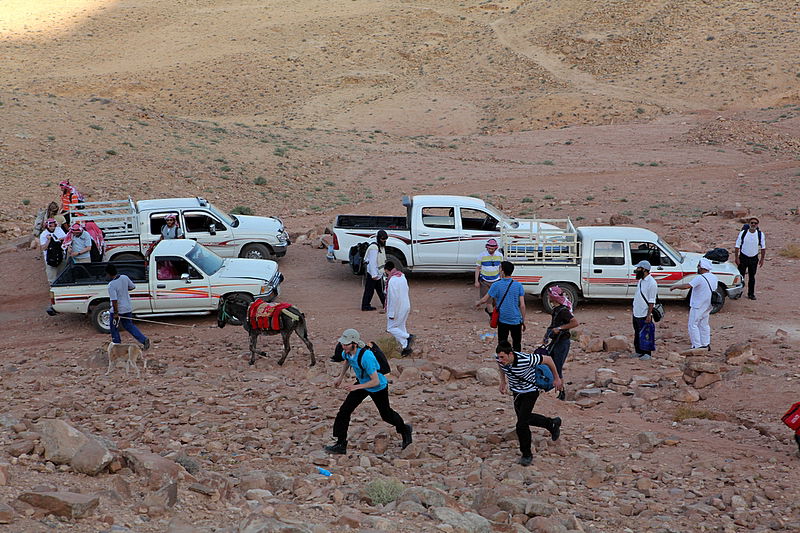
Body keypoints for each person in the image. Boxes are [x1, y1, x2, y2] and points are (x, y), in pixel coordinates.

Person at [325, 329, 412, 455]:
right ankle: (341, 443)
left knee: (386, 415)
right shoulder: (347, 352)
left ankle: (405, 430)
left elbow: (375, 381)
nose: (343, 346)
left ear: (354, 343)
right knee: (344, 411)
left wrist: (356, 387)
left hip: (378, 387)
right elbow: (347, 361)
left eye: (346, 344)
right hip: (362, 384)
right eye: (343, 344)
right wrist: (340, 377)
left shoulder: (367, 357)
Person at [494, 340, 563, 466]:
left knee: (521, 424)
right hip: (517, 392)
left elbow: (548, 359)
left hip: (530, 391)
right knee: (525, 419)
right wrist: (502, 381)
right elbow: (501, 366)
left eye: (503, 357)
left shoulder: (526, 359)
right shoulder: (500, 359)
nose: (500, 360)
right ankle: (552, 424)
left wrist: (557, 378)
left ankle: (526, 454)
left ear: (511, 354)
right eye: (498, 357)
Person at [476, 261, 526, 351]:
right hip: (516, 319)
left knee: (502, 343)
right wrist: (523, 320)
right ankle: (516, 361)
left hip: (503, 319)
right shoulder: (518, 285)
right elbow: (522, 305)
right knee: (517, 343)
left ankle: (503, 361)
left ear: (502, 271)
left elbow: (485, 299)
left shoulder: (496, 285)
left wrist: (478, 303)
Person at [670, 258, 717, 350]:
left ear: (702, 267)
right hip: (708, 304)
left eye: (699, 266)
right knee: (704, 324)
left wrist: (676, 286)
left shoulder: (700, 278)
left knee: (693, 324)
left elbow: (688, 286)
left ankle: (697, 345)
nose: (697, 267)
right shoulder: (713, 277)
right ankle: (706, 343)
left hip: (698, 304)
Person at [543, 286, 578, 400]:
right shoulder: (556, 310)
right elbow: (553, 324)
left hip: (562, 342)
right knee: (552, 365)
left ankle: (561, 392)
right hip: (556, 341)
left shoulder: (563, 311)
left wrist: (560, 328)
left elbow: (574, 323)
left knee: (557, 367)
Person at [106, 263, 150, 350]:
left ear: (109, 274)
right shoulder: (124, 277)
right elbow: (132, 287)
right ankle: (143, 340)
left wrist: (115, 313)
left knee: (114, 328)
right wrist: (124, 289)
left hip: (119, 309)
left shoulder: (111, 285)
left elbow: (114, 301)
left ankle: (116, 345)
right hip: (127, 307)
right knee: (129, 326)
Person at [384, 260, 414, 357]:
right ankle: (406, 347)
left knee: (391, 328)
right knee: (401, 326)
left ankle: (408, 337)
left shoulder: (392, 280)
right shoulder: (402, 276)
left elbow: (393, 298)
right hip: (406, 305)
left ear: (386, 270)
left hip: (398, 308)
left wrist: (391, 313)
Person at [734, 217, 766, 300]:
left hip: (754, 258)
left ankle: (751, 294)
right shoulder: (743, 233)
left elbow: (763, 247)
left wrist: (762, 259)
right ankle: (738, 292)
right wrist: (737, 257)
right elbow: (737, 246)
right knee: (740, 276)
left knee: (752, 277)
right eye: (752, 223)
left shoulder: (760, 234)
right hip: (743, 257)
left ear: (757, 225)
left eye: (755, 223)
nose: (753, 224)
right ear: (749, 224)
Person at [632, 260, 658, 360]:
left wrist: (649, 315)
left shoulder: (652, 283)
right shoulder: (641, 280)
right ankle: (639, 351)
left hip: (644, 313)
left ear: (644, 269)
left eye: (638, 268)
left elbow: (652, 301)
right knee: (637, 332)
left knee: (646, 333)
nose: (636, 270)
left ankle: (647, 353)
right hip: (637, 311)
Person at [361, 230, 388, 311]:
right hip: (373, 273)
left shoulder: (380, 246)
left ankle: (385, 304)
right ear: (378, 238)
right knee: (370, 290)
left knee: (380, 290)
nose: (384, 241)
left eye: (385, 239)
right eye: (383, 239)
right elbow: (372, 262)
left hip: (378, 273)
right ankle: (365, 306)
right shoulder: (374, 248)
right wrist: (374, 275)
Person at [475, 239, 503, 312]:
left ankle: (494, 314)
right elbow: (477, 268)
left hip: (496, 281)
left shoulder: (500, 255)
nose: (491, 250)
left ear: (496, 248)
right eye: (489, 248)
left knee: (496, 300)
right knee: (488, 301)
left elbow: (500, 268)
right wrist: (476, 281)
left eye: (492, 249)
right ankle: (492, 317)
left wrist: (501, 279)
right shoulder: (481, 255)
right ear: (486, 248)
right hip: (485, 281)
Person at [39, 218, 67, 283]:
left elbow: (65, 238)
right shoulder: (43, 234)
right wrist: (49, 240)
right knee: (52, 278)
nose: (52, 227)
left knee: (62, 275)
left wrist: (61, 239)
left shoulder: (59, 230)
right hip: (50, 258)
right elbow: (43, 248)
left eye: (54, 225)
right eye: (50, 226)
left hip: (61, 256)